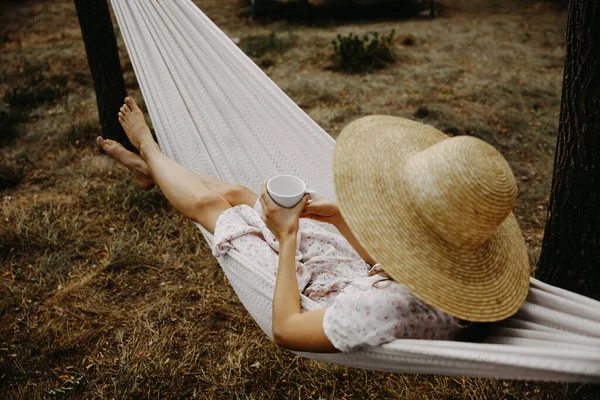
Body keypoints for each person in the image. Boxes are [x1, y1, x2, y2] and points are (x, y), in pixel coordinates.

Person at [96, 97, 530, 353]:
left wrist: (288, 238)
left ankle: (148, 149)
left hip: (318, 297)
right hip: (357, 277)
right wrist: (339, 217)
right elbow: (398, 267)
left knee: (215, 207)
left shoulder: (382, 312)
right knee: (242, 194)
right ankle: (150, 171)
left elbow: (285, 329)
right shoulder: (458, 272)